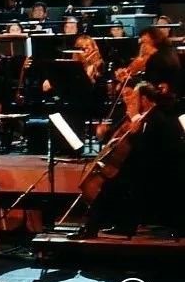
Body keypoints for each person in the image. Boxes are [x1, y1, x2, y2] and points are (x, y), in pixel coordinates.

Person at [68, 82, 185, 239]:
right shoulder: (146, 117)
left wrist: (134, 123)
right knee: (116, 179)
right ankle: (119, 225)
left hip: (160, 172)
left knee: (113, 182)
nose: (130, 102)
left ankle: (93, 227)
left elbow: (146, 148)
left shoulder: (157, 117)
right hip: (147, 168)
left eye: (134, 98)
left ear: (144, 99)